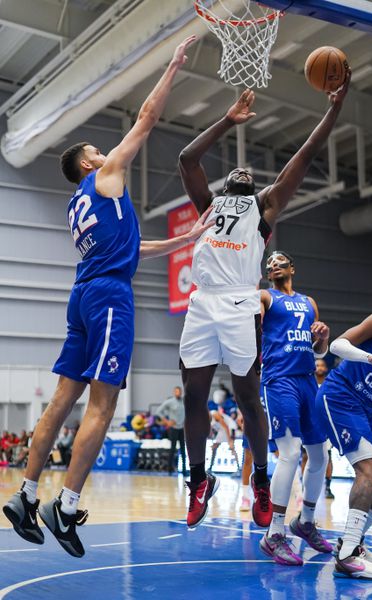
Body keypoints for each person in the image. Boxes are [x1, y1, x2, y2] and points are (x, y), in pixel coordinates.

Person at [2, 35, 215, 559]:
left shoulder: (82, 205)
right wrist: (172, 66)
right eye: (98, 152)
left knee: (61, 401)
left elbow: (133, 247)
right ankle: (66, 506)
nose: (105, 152)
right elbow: (144, 118)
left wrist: (185, 240)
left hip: (83, 293)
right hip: (109, 298)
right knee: (104, 404)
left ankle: (26, 495)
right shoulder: (106, 177)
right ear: (90, 166)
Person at [178, 71, 351, 529]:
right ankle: (199, 480)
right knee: (193, 398)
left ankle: (259, 481)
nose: (243, 172)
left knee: (247, 398)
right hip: (202, 302)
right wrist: (229, 119)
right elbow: (187, 157)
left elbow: (306, 153)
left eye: (250, 174)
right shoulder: (209, 206)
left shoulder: (265, 207)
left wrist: (333, 109)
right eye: (237, 172)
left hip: (238, 302)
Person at [258, 251, 332, 566]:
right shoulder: (263, 297)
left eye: (279, 261)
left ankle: (306, 521)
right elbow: (251, 328)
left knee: (320, 456)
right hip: (279, 380)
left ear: (292, 268)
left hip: (307, 381)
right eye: (268, 263)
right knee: (289, 454)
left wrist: (323, 338)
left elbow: (320, 350)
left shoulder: (308, 302)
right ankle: (274, 534)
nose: (273, 264)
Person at [316, 310, 372, 579]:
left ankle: (353, 541)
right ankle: (348, 555)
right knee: (369, 470)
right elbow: (338, 344)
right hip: (340, 396)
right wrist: (370, 359)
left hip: (365, 408)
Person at [301, 358, 335, 499]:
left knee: (327, 457)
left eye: (322, 365)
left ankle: (327, 486)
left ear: (326, 368)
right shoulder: (307, 383)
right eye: (317, 365)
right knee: (305, 456)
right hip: (308, 423)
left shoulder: (331, 383)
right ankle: (304, 486)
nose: (319, 367)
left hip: (326, 424)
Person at [157, 386, 187, 475]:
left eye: (179, 392)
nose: (178, 393)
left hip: (181, 428)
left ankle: (184, 469)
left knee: (183, 449)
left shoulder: (183, 402)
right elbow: (158, 411)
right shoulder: (170, 402)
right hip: (173, 428)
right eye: (176, 392)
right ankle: (170, 469)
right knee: (173, 449)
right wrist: (166, 421)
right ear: (174, 392)